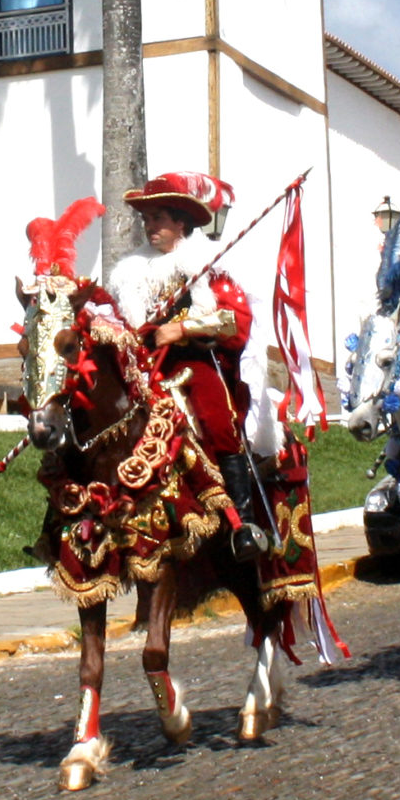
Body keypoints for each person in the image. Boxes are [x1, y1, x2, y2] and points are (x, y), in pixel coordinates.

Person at [104, 172, 266, 552]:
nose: (150, 227)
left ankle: (244, 522)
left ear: (181, 223)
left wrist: (183, 329)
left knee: (215, 417)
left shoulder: (209, 266)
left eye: (158, 218)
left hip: (193, 363)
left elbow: (234, 321)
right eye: (146, 220)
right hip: (145, 367)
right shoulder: (130, 274)